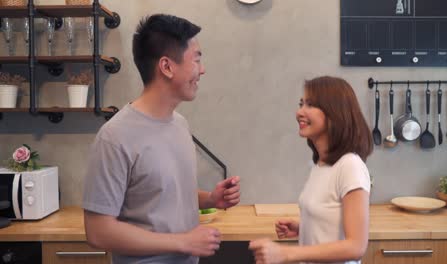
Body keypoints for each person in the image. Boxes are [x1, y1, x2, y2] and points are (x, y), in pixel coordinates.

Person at [82, 14, 241, 264]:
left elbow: (162, 192)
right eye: (196, 59)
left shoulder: (179, 124)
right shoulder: (114, 137)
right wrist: (183, 242)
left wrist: (210, 199)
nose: (202, 69)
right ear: (167, 67)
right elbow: (98, 231)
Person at [249, 76, 373, 264]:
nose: (300, 112)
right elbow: (333, 222)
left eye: (310, 105)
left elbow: (356, 246)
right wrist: (304, 227)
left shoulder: (350, 166)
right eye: (301, 104)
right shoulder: (321, 165)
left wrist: (286, 253)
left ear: (335, 113)